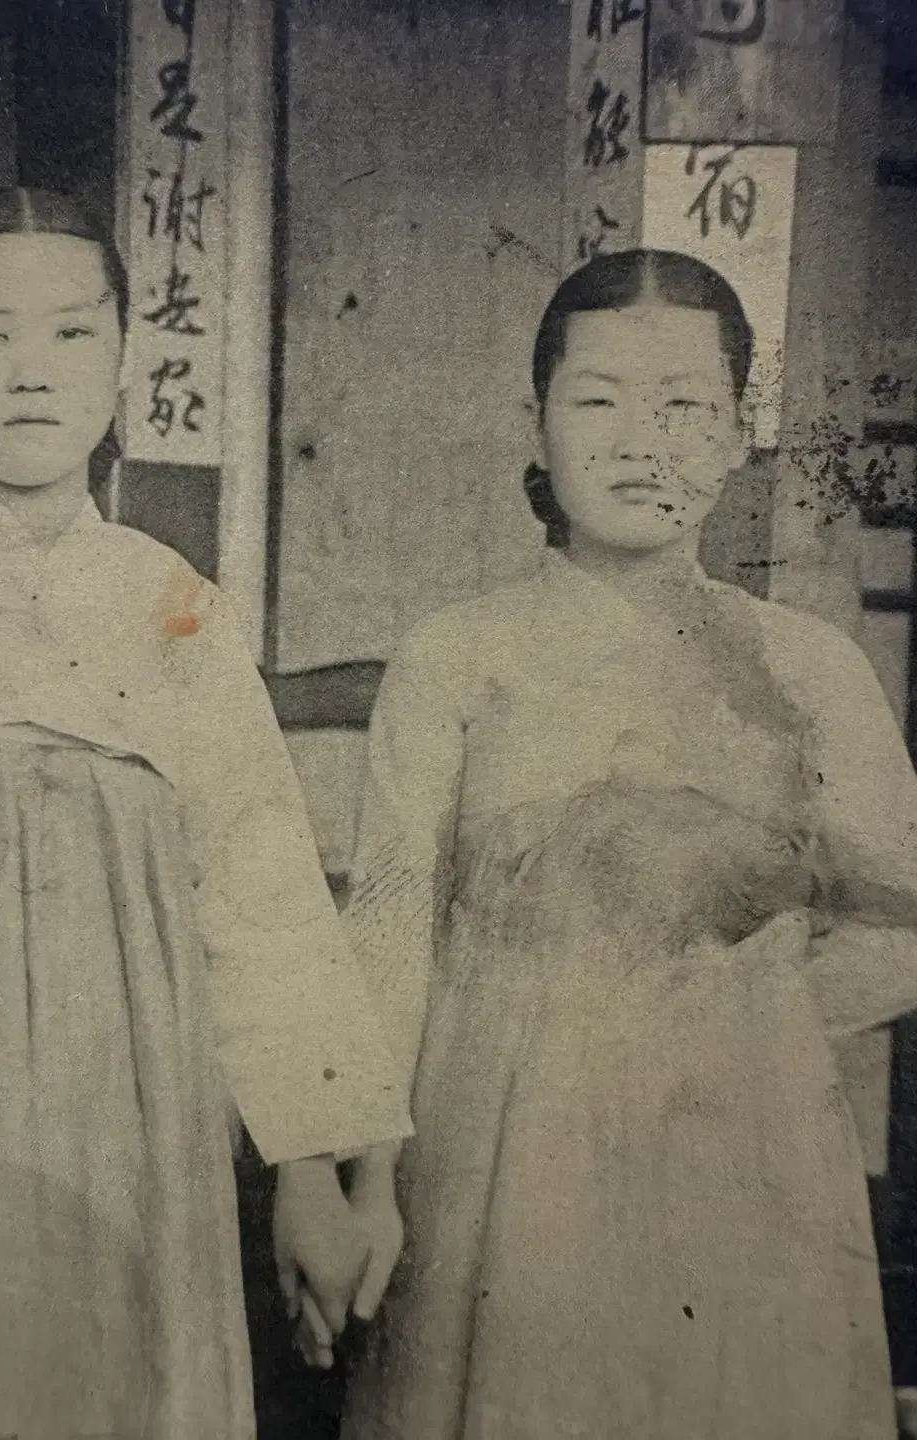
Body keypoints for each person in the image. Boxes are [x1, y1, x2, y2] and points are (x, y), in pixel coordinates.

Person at [0, 186, 412, 1440]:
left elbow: (261, 904)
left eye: (71, 335)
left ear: (123, 363)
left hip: (130, 1116)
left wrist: (309, 1168)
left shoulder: (171, 603)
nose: (30, 373)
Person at [337, 248, 917, 1440]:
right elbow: (389, 933)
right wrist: (368, 1174)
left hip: (749, 1161)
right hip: (499, 1155)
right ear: (535, 424)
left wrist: (736, 1018)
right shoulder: (457, 656)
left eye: (686, 407)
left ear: (744, 432)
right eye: (597, 401)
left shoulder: (811, 670)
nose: (640, 442)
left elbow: (901, 920)